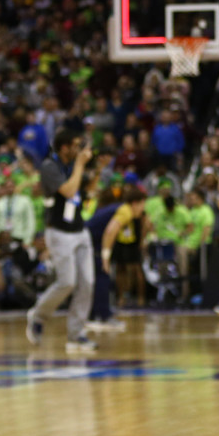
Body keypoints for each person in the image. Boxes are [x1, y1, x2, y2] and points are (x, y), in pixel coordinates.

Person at [26, 128, 97, 354]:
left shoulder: (73, 165)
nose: (79, 149)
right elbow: (68, 190)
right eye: (76, 145)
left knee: (87, 283)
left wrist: (98, 166)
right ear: (64, 147)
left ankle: (76, 335)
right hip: (58, 232)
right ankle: (38, 315)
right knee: (67, 282)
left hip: (79, 230)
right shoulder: (50, 167)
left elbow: (88, 190)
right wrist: (79, 165)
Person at [86, 185, 147, 331]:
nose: (143, 209)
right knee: (103, 276)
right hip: (89, 242)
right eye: (142, 205)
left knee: (98, 278)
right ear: (135, 203)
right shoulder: (126, 211)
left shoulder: (121, 208)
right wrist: (105, 256)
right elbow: (110, 231)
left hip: (89, 240)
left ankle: (97, 314)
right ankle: (102, 317)